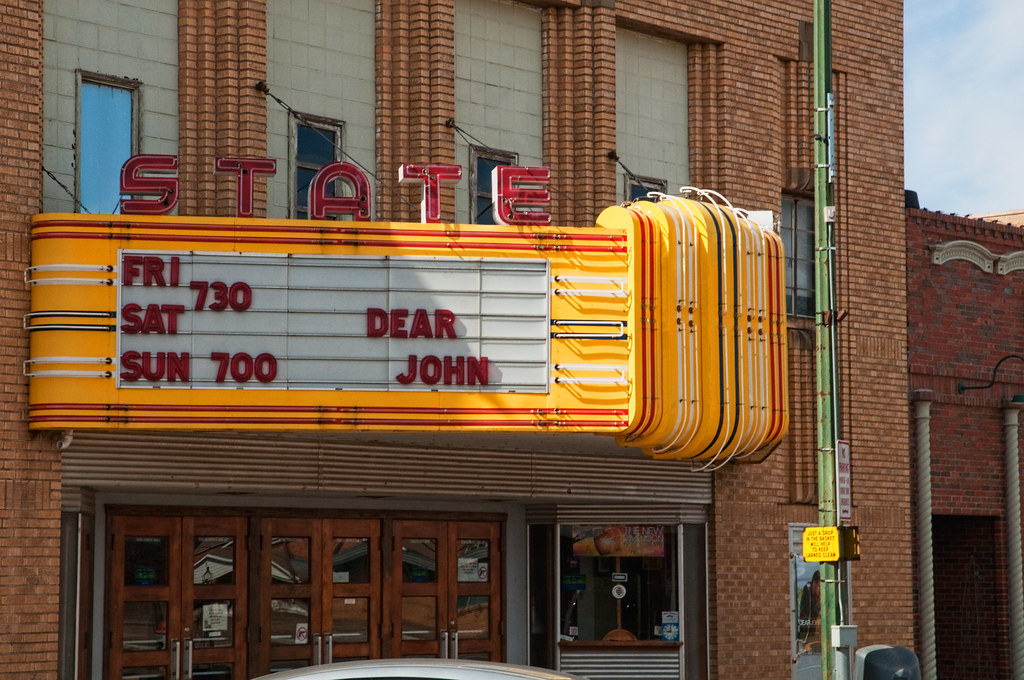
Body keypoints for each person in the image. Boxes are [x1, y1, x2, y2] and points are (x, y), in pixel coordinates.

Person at [797, 571, 821, 652]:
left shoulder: (817, 596)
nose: (820, 591)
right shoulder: (807, 592)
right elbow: (807, 610)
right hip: (806, 631)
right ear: (814, 582)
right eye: (819, 586)